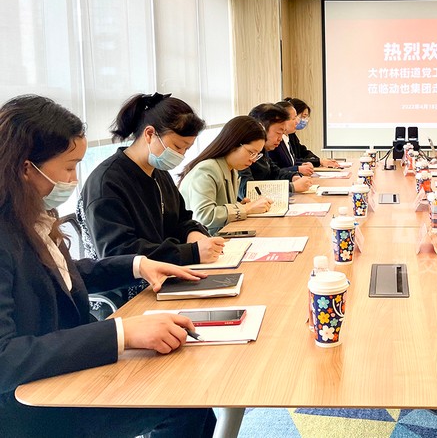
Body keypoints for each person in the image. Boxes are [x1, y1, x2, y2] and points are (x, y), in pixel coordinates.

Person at [0, 94, 216, 438]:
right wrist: (122, 333)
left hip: (68, 363)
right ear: (26, 168)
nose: (74, 179)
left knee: (193, 394)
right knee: (184, 401)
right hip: (31, 403)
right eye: (69, 167)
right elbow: (5, 359)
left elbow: (62, 277)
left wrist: (138, 265)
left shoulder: (31, 213)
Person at [78, 93, 226, 303]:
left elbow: (181, 219)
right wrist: (191, 252)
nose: (181, 155)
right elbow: (119, 254)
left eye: (186, 149)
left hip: (170, 276)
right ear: (149, 134)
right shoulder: (106, 183)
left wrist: (193, 234)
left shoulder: (159, 173)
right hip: (132, 290)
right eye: (177, 146)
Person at [178, 116, 274, 234]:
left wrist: (240, 205)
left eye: (257, 155)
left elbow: (221, 206)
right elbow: (203, 216)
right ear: (234, 143)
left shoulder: (232, 169)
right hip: (204, 240)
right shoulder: (207, 169)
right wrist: (245, 208)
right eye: (251, 152)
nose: (253, 160)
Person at [238, 103, 314, 199]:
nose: (280, 139)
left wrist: (293, 176)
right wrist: (291, 187)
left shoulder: (262, 150)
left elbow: (276, 173)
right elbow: (248, 191)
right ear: (261, 129)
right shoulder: (242, 152)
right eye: (278, 133)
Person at [282, 97, 341, 168]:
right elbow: (292, 162)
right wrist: (319, 161)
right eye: (303, 116)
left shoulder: (291, 135)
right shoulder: (279, 139)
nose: (297, 121)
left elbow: (303, 152)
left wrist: (319, 160)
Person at [267, 100, 314, 176]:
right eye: (294, 118)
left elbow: (291, 162)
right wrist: (297, 169)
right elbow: (274, 172)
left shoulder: (287, 137)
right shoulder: (272, 143)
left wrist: (301, 165)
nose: (297, 122)